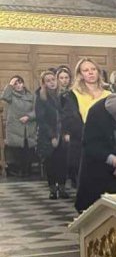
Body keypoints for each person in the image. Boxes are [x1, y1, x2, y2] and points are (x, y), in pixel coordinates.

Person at [74, 93, 116, 213]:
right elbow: (90, 144)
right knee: (93, 204)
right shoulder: (96, 112)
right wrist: (112, 159)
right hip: (96, 163)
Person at [35, 70, 69, 199]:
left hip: (63, 134)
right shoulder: (41, 97)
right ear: (44, 83)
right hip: (48, 136)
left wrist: (66, 133)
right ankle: (53, 189)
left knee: (62, 162)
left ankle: (63, 188)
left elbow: (67, 115)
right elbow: (41, 120)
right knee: (51, 163)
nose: (51, 83)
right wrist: (52, 136)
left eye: (53, 79)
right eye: (48, 81)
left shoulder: (63, 96)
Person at [2, 75, 37, 177]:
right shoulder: (11, 96)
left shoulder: (31, 96)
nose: (18, 85)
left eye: (20, 82)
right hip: (15, 128)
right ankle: (18, 171)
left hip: (28, 127)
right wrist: (10, 84)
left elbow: (36, 110)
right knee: (17, 150)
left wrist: (28, 116)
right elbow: (4, 96)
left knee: (28, 149)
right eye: (15, 84)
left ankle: (28, 170)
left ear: (23, 84)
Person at [56, 66, 82, 191]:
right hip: (60, 127)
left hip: (73, 127)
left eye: (66, 77)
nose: (64, 80)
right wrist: (64, 132)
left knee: (74, 155)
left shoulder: (73, 93)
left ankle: (74, 179)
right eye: (61, 78)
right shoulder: (56, 94)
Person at [72, 57, 109, 122]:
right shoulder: (74, 94)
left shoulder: (108, 95)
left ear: (98, 72)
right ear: (80, 75)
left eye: (94, 69)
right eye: (86, 70)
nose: (90, 72)